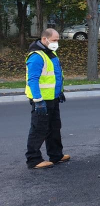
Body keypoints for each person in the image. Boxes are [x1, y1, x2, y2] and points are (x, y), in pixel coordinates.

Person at [25, 28, 70, 169]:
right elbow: (32, 80)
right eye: (54, 40)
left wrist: (59, 92)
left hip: (53, 98)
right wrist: (38, 101)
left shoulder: (50, 54)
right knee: (39, 129)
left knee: (54, 127)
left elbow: (55, 76)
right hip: (42, 100)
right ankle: (33, 159)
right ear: (45, 39)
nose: (56, 43)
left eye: (57, 40)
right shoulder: (37, 56)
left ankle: (56, 155)